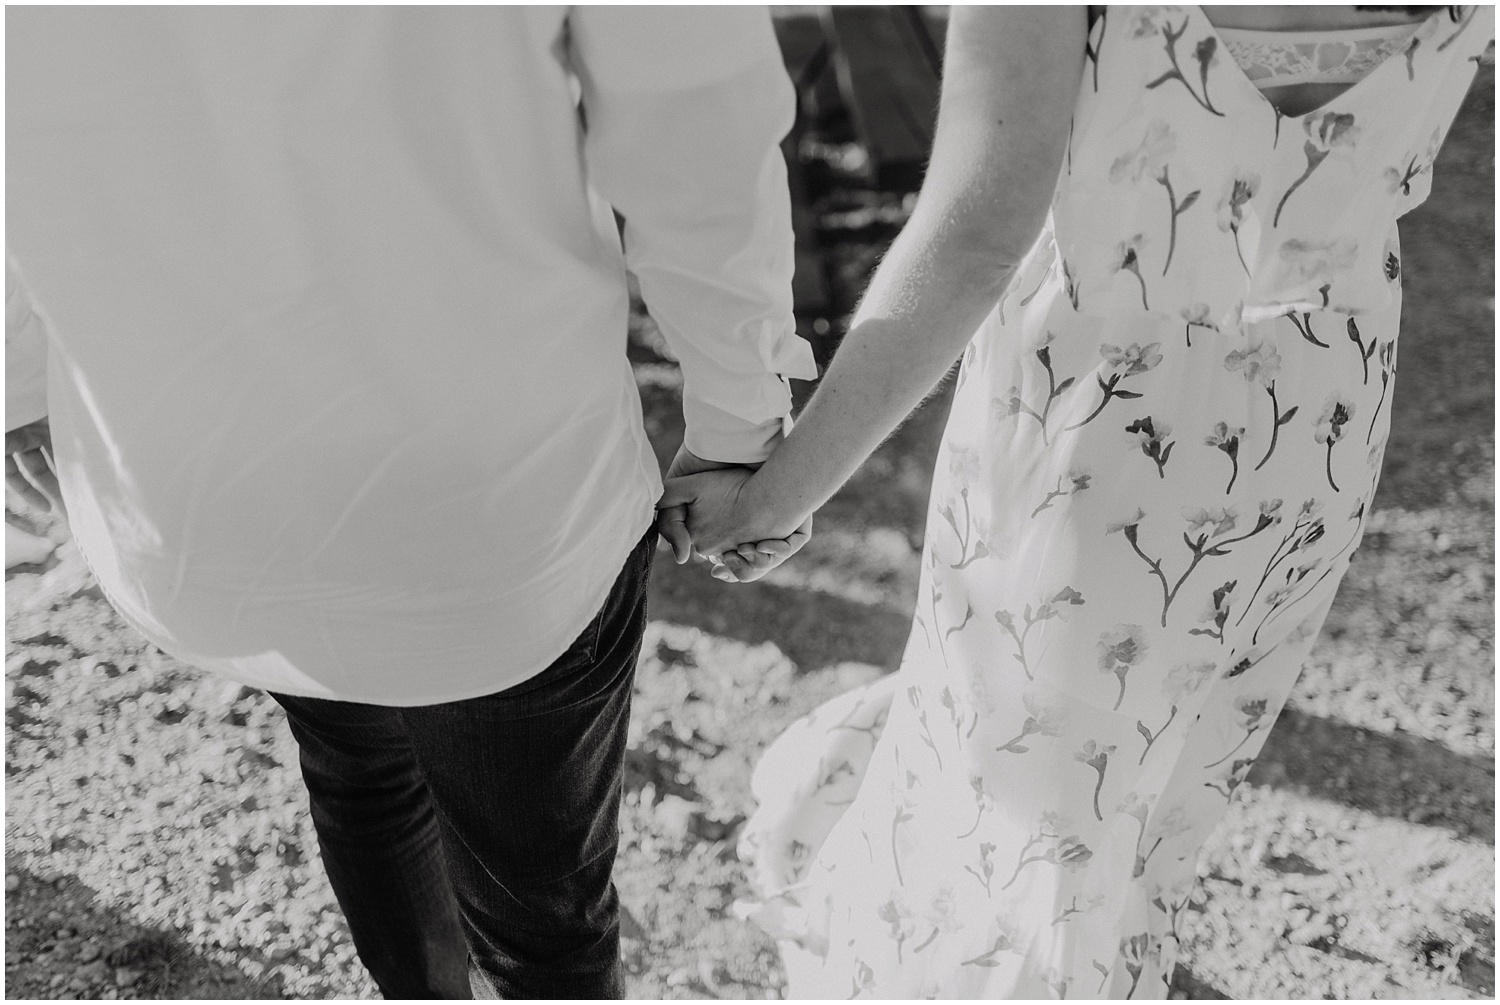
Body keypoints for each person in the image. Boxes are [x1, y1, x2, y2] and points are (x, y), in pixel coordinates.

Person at [659, 5, 1494, 998]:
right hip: (1315, 420)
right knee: (1138, 798)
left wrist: (781, 492)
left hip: (1098, 427)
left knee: (1015, 820)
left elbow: (977, 237)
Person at [5, 7, 813, 998]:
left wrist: (15, 376)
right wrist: (739, 423)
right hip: (494, 503)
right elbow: (701, 140)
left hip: (198, 483)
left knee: (358, 766)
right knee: (541, 911)